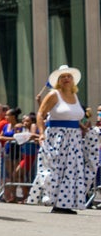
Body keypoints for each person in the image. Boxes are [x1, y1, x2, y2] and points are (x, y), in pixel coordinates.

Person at [27, 65, 96, 214]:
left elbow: (73, 117)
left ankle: (65, 203)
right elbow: (40, 114)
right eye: (63, 76)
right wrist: (41, 133)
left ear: (73, 80)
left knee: (73, 170)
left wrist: (84, 129)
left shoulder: (75, 96)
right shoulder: (53, 94)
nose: (66, 79)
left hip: (74, 138)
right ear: (58, 80)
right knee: (56, 169)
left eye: (69, 76)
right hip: (58, 136)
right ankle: (55, 201)